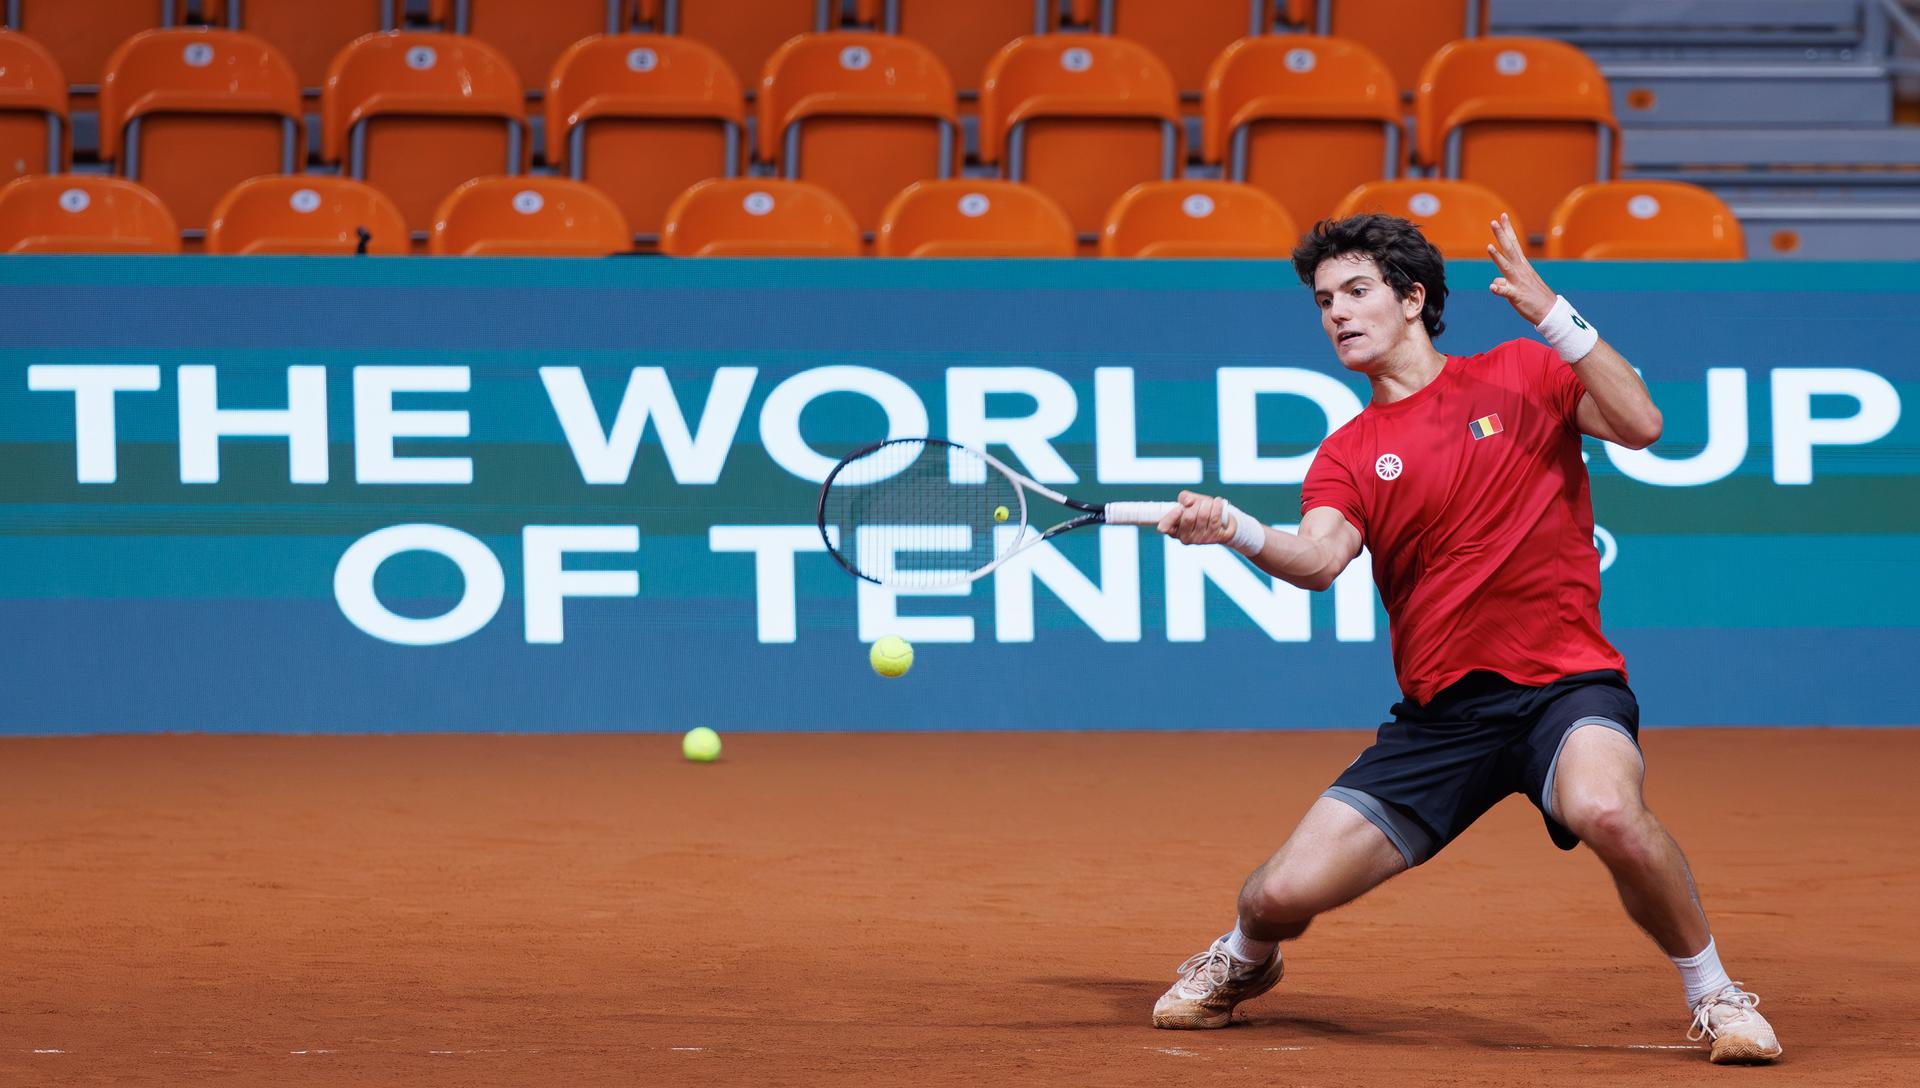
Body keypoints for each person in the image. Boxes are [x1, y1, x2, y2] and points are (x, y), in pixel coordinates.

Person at [1147, 213, 1782, 1065]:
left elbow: (1641, 423)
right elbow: (1320, 559)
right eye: (1325, 300)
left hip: (1565, 688)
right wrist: (1235, 530)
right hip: (1443, 718)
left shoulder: (1521, 373)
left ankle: (1716, 994)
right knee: (1277, 893)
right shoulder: (1348, 452)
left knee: (1607, 810)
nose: (1337, 312)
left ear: (1414, 300)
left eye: (1358, 291)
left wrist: (1552, 312)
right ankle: (1246, 959)